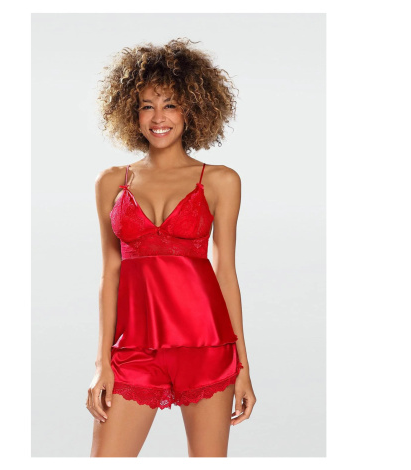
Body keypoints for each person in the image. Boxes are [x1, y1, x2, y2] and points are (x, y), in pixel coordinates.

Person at [87, 38, 257, 457]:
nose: (158, 117)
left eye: (171, 105)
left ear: (192, 110)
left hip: (207, 347)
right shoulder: (112, 182)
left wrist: (243, 367)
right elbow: (110, 273)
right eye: (147, 106)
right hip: (134, 349)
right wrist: (102, 361)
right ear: (132, 112)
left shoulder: (220, 180)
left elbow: (225, 273)